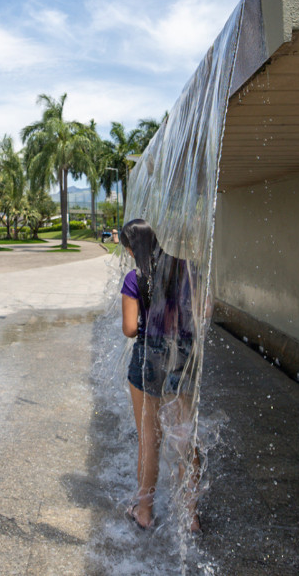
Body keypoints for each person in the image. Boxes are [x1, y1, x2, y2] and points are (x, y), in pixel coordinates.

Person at [119, 217, 201, 533]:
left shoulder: (135, 277)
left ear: (131, 248)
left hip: (148, 359)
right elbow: (203, 312)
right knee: (185, 439)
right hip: (183, 356)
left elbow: (129, 329)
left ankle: (144, 513)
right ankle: (191, 517)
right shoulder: (187, 268)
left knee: (149, 441)